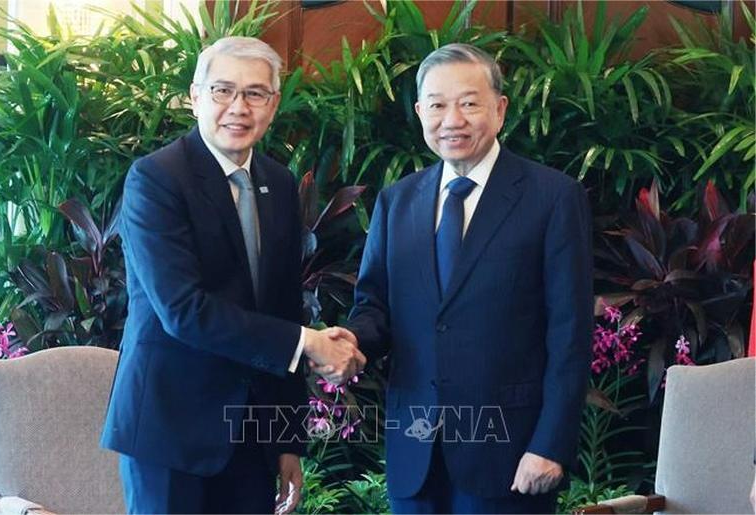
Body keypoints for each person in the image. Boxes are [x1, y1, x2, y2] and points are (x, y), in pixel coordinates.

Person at [100, 36, 365, 514]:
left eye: (255, 93)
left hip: (251, 437)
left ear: (274, 103)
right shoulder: (156, 179)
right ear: (196, 96)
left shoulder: (279, 182)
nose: (238, 107)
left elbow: (282, 305)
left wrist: (287, 440)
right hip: (170, 433)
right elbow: (184, 310)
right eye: (223, 91)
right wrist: (307, 342)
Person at [329, 43, 593, 513]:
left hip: (511, 455)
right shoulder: (398, 201)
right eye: (437, 105)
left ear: (500, 109)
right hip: (416, 455)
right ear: (419, 112)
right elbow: (375, 307)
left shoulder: (552, 198)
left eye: (469, 103)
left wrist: (551, 444)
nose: (452, 119)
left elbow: (570, 332)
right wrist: (350, 341)